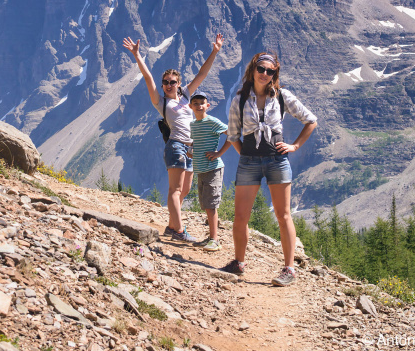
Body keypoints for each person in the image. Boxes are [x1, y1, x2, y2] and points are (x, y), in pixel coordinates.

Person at [220, 52, 317, 287]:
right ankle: (239, 263)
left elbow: (311, 120)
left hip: (277, 160)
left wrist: (294, 145)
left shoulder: (283, 96)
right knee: (240, 216)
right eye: (261, 69)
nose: (265, 74)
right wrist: (246, 154)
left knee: (283, 216)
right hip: (249, 162)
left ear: (275, 74)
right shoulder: (240, 100)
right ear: (253, 69)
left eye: (270, 71)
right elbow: (233, 134)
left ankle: (289, 269)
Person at [123, 33, 224, 242]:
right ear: (162, 86)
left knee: (184, 190)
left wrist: (214, 51)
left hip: (191, 149)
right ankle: (179, 231)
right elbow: (148, 78)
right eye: (166, 82)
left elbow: (202, 74)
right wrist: (137, 55)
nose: (169, 85)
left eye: (173, 82)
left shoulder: (187, 95)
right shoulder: (161, 102)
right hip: (175, 147)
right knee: (175, 190)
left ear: (179, 83)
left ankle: (171, 226)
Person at [189, 90, 231, 252]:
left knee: (211, 204)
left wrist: (219, 153)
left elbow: (232, 134)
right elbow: (196, 143)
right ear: (191, 106)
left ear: (208, 105)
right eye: (196, 104)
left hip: (213, 168)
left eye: (202, 103)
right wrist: (190, 152)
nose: (199, 106)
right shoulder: (193, 124)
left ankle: (215, 239)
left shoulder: (212, 121)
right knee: (206, 203)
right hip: (200, 168)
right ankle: (210, 237)